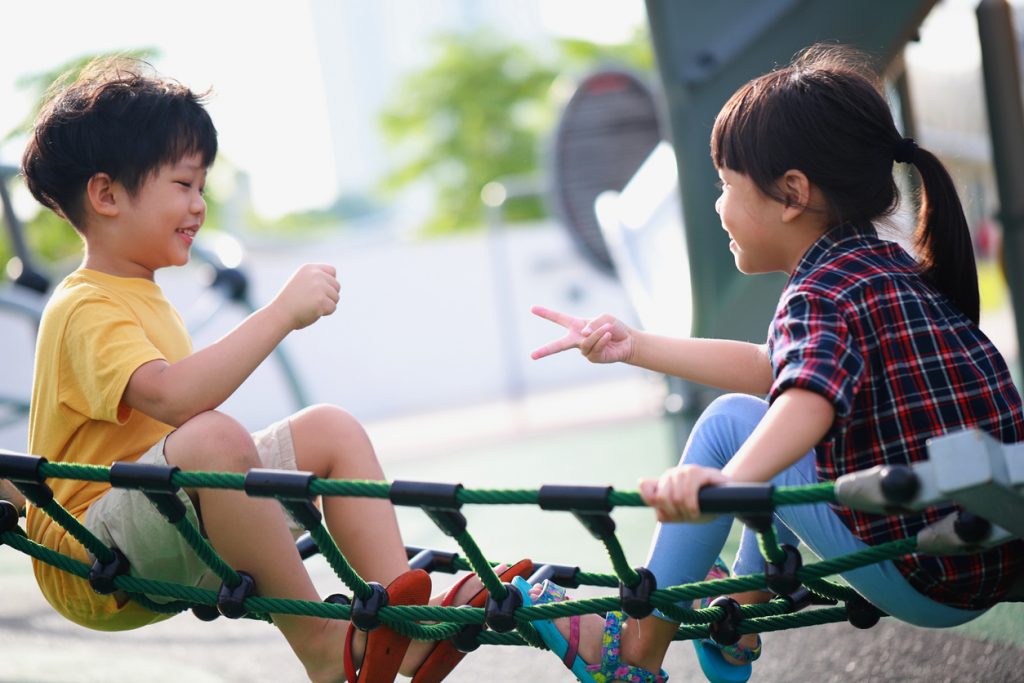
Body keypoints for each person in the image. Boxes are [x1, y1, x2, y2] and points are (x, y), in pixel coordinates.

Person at [524, 44, 1024, 683]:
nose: (717, 206)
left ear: (792, 194)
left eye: (727, 186)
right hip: (991, 554)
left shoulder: (819, 292)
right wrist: (637, 345)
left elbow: (802, 401)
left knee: (735, 423)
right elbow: (779, 370)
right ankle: (743, 603)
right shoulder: (886, 271)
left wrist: (722, 486)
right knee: (766, 422)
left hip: (924, 572)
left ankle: (634, 649)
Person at [18, 57, 525, 683]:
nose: (199, 205)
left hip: (174, 526)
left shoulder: (143, 295)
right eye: (184, 184)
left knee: (330, 429)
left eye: (202, 187)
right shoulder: (84, 304)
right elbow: (175, 401)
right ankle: (319, 643)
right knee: (212, 435)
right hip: (91, 558)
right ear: (107, 195)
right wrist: (280, 313)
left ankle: (405, 624)